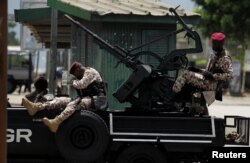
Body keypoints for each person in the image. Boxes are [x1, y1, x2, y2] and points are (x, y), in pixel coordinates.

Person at [22, 61, 106, 133]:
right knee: (60, 99)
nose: (76, 76)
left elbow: (81, 84)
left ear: (78, 69)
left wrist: (71, 81)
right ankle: (36, 107)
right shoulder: (83, 75)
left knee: (74, 103)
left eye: (75, 74)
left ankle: (56, 122)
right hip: (88, 100)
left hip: (97, 101)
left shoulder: (90, 72)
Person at [170, 32, 233, 101]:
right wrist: (197, 70)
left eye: (215, 43)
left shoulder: (224, 57)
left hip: (211, 84)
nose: (213, 45)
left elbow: (230, 75)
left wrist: (213, 76)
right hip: (207, 80)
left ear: (220, 44)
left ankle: (171, 98)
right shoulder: (215, 55)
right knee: (187, 71)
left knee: (186, 74)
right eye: (213, 43)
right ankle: (180, 98)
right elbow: (208, 71)